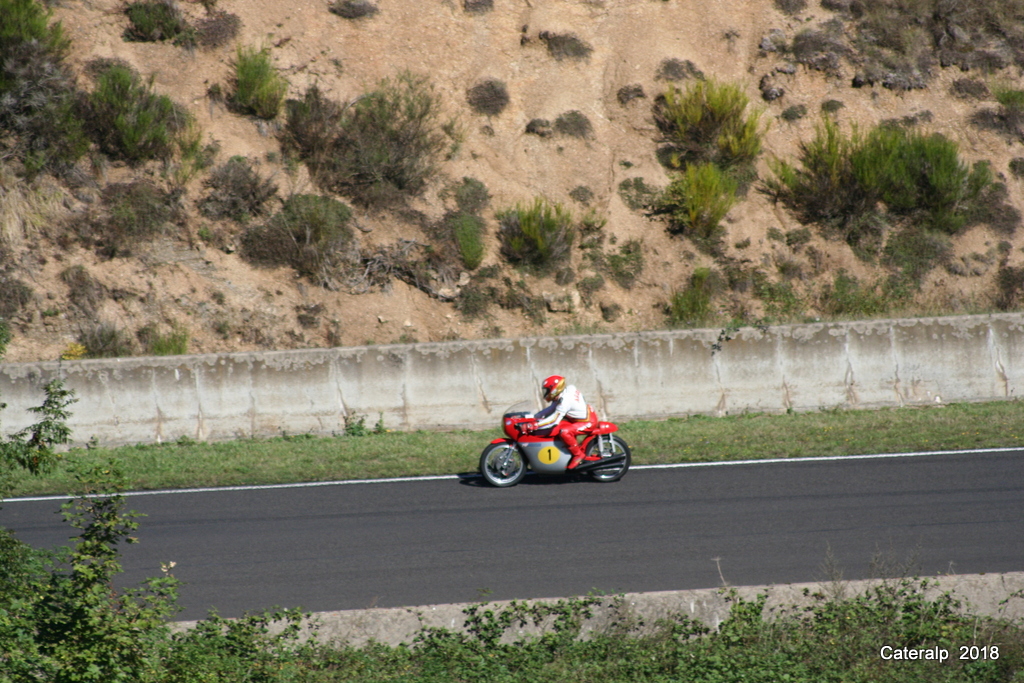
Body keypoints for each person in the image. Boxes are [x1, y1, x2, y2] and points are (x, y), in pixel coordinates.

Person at [530, 375, 599, 470]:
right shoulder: (567, 390)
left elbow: (553, 420)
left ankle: (578, 455)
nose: (546, 393)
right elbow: (551, 408)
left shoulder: (565, 401)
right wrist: (534, 417)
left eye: (547, 390)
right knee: (559, 428)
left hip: (587, 421)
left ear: (554, 390)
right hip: (583, 416)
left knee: (564, 432)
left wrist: (535, 425)